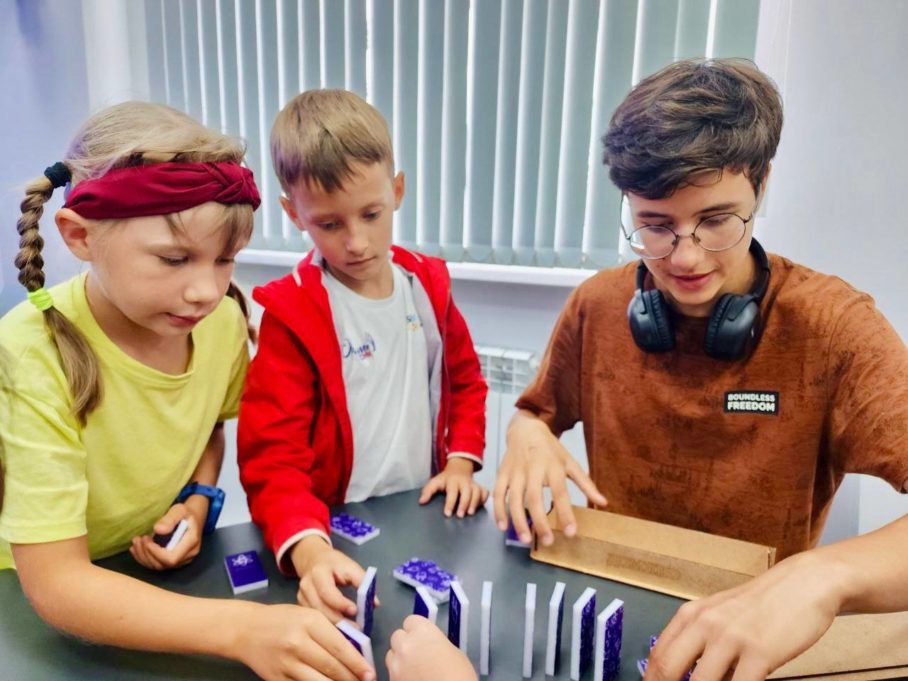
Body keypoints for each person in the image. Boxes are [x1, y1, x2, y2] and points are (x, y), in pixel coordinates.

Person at [492, 58, 908, 679]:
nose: (685, 257)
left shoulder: (834, 327)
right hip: (611, 608)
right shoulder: (597, 305)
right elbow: (535, 414)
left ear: (761, 185)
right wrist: (525, 433)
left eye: (715, 221)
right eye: (655, 227)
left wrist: (826, 576)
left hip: (751, 639)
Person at [0, 101, 375, 681]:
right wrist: (243, 629)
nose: (205, 290)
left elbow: (210, 426)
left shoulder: (220, 323)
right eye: (174, 259)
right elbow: (57, 582)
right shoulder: (31, 351)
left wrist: (199, 502)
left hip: (145, 577)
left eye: (225, 259)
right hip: (32, 602)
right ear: (79, 235)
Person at [238, 89, 489, 624]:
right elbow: (272, 457)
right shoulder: (292, 313)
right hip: (333, 531)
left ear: (397, 191)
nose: (356, 242)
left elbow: (466, 380)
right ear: (293, 213)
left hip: (422, 513)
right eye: (329, 224)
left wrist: (461, 463)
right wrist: (310, 551)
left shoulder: (428, 287)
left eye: (371, 214)